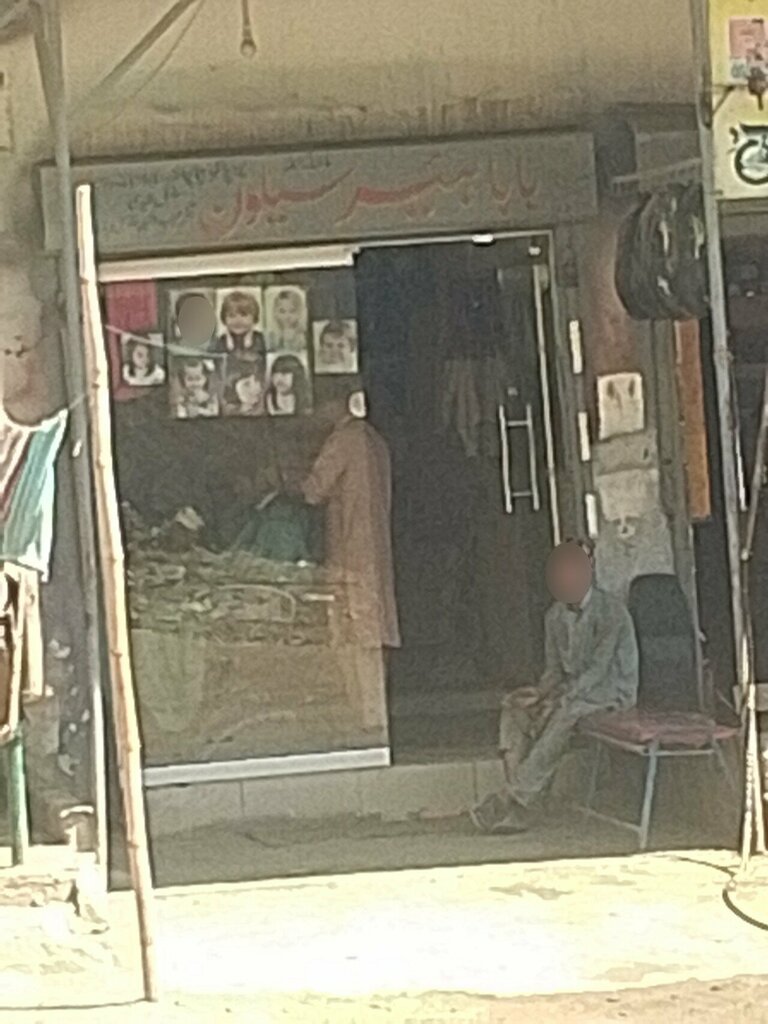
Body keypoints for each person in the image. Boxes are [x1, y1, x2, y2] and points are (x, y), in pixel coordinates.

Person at [471, 539, 639, 834]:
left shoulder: (611, 612)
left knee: (564, 713)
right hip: (571, 692)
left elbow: (598, 672)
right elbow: (554, 670)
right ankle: (523, 801)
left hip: (611, 692)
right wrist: (539, 694)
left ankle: (511, 798)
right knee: (515, 710)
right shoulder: (555, 615)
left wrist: (559, 698)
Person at [302, 386, 400, 731]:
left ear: (335, 404)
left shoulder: (345, 439)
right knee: (374, 630)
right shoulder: (375, 440)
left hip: (350, 548)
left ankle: (366, 717)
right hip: (373, 544)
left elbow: (314, 490)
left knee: (356, 633)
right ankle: (375, 712)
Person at [211, 291, 266, 361]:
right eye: (232, 315)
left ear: (254, 317)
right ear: (224, 318)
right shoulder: (220, 342)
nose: (238, 321)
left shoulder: (260, 339)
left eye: (244, 315)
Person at [267, 288, 307, 353]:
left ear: (299, 312)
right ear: (275, 313)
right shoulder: (271, 337)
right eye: (282, 311)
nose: (287, 316)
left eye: (292, 311)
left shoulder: (304, 336)